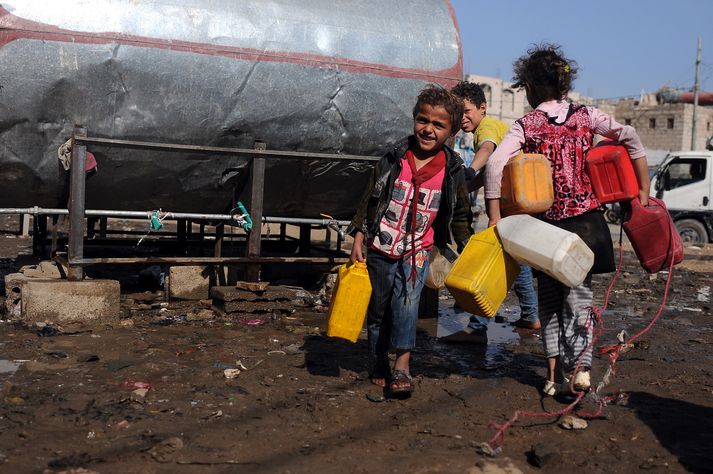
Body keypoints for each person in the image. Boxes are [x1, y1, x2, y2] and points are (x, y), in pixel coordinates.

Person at [483, 44, 650, 396]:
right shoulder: (588, 116)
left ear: (528, 86)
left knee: (549, 303)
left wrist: (495, 217)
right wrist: (643, 190)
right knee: (580, 299)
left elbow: (496, 164)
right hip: (586, 226)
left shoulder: (527, 124)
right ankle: (583, 370)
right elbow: (631, 136)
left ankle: (552, 377)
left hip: (542, 228)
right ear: (564, 84)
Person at [348, 84, 472, 395]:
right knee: (378, 308)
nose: (428, 129)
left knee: (406, 303)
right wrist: (359, 236)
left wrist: (468, 250)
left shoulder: (453, 170)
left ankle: (402, 364)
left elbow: (459, 215)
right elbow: (369, 198)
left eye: (438, 125)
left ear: (452, 130)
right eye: (422, 120)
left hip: (418, 251)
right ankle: (377, 357)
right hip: (380, 245)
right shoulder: (394, 157)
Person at [441, 81, 540, 345]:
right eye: (457, 113)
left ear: (482, 108)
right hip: (519, 202)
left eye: (466, 111)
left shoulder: (487, 127)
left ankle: (477, 328)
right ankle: (531, 315)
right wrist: (463, 186)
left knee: (491, 260)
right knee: (518, 262)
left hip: (509, 205)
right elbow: (488, 173)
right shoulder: (494, 129)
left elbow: (486, 149)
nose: (461, 118)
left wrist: (470, 170)